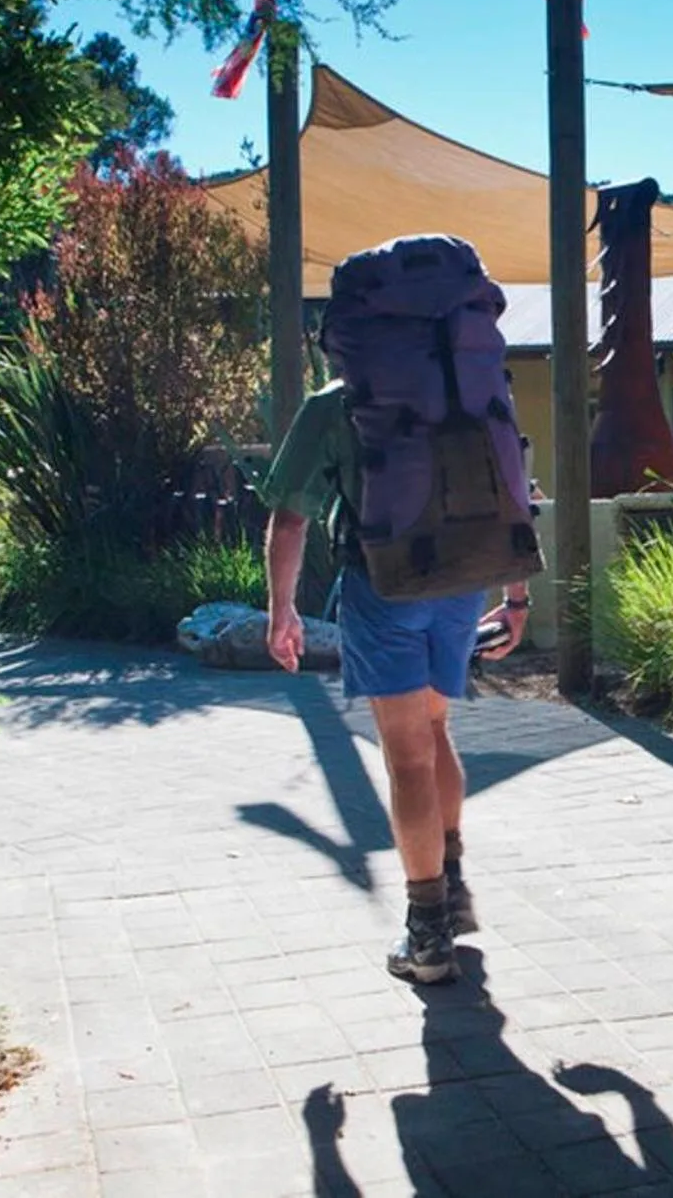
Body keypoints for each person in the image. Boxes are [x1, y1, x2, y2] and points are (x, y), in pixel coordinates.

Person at [263, 374, 531, 986]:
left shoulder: (337, 403)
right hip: (463, 582)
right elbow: (513, 489)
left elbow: (289, 521)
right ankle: (453, 883)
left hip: (385, 588)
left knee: (406, 756)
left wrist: (282, 611)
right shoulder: (470, 385)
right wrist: (516, 596)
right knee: (436, 728)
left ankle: (428, 932)